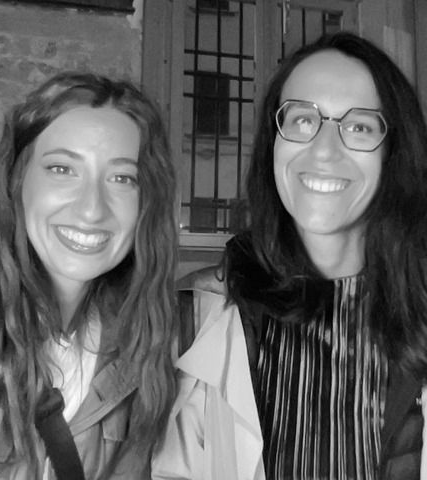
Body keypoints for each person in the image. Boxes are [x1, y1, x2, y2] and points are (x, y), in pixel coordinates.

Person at [152, 31, 427, 480]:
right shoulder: (196, 318)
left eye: (359, 127)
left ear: (393, 153)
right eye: (302, 120)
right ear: (272, 144)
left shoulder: (419, 307)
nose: (324, 150)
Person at [0, 71, 178, 479]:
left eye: (122, 178)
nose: (92, 209)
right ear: (16, 179)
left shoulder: (139, 336)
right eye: (62, 169)